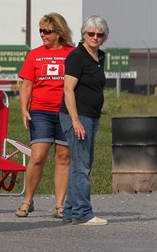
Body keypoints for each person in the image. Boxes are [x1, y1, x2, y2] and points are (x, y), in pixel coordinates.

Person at [15, 13, 74, 219]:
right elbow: (27, 84)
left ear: (59, 32)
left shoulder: (72, 54)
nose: (42, 35)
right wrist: (24, 109)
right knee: (38, 156)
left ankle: (59, 204)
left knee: (64, 157)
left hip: (66, 112)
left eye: (47, 31)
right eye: (41, 30)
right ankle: (27, 200)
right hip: (40, 111)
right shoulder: (35, 54)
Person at [59, 15, 109, 226]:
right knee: (81, 165)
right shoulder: (77, 56)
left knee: (82, 163)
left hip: (92, 116)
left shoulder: (100, 56)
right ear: (83, 34)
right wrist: (76, 120)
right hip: (77, 116)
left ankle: (70, 210)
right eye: (91, 33)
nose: (95, 37)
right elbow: (68, 89)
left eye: (99, 34)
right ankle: (83, 213)